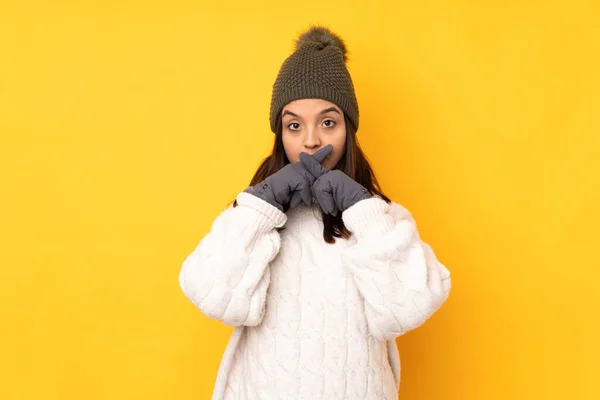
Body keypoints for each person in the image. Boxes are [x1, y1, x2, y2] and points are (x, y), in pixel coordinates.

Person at [179, 25, 451, 400]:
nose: (311, 141)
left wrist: (362, 209)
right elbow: (211, 295)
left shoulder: (384, 220)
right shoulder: (254, 219)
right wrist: (262, 205)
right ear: (280, 134)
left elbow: (407, 309)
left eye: (328, 122)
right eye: (294, 125)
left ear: (348, 130)